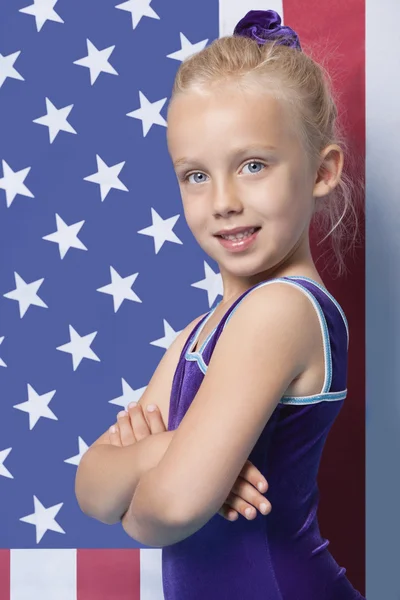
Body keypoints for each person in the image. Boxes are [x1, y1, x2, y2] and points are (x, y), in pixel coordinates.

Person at [111, 9, 365, 599]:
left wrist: (151, 477)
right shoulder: (200, 334)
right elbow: (91, 488)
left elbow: (159, 513)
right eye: (195, 175)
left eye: (253, 166)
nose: (223, 201)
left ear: (322, 171)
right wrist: (173, 451)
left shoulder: (282, 310)